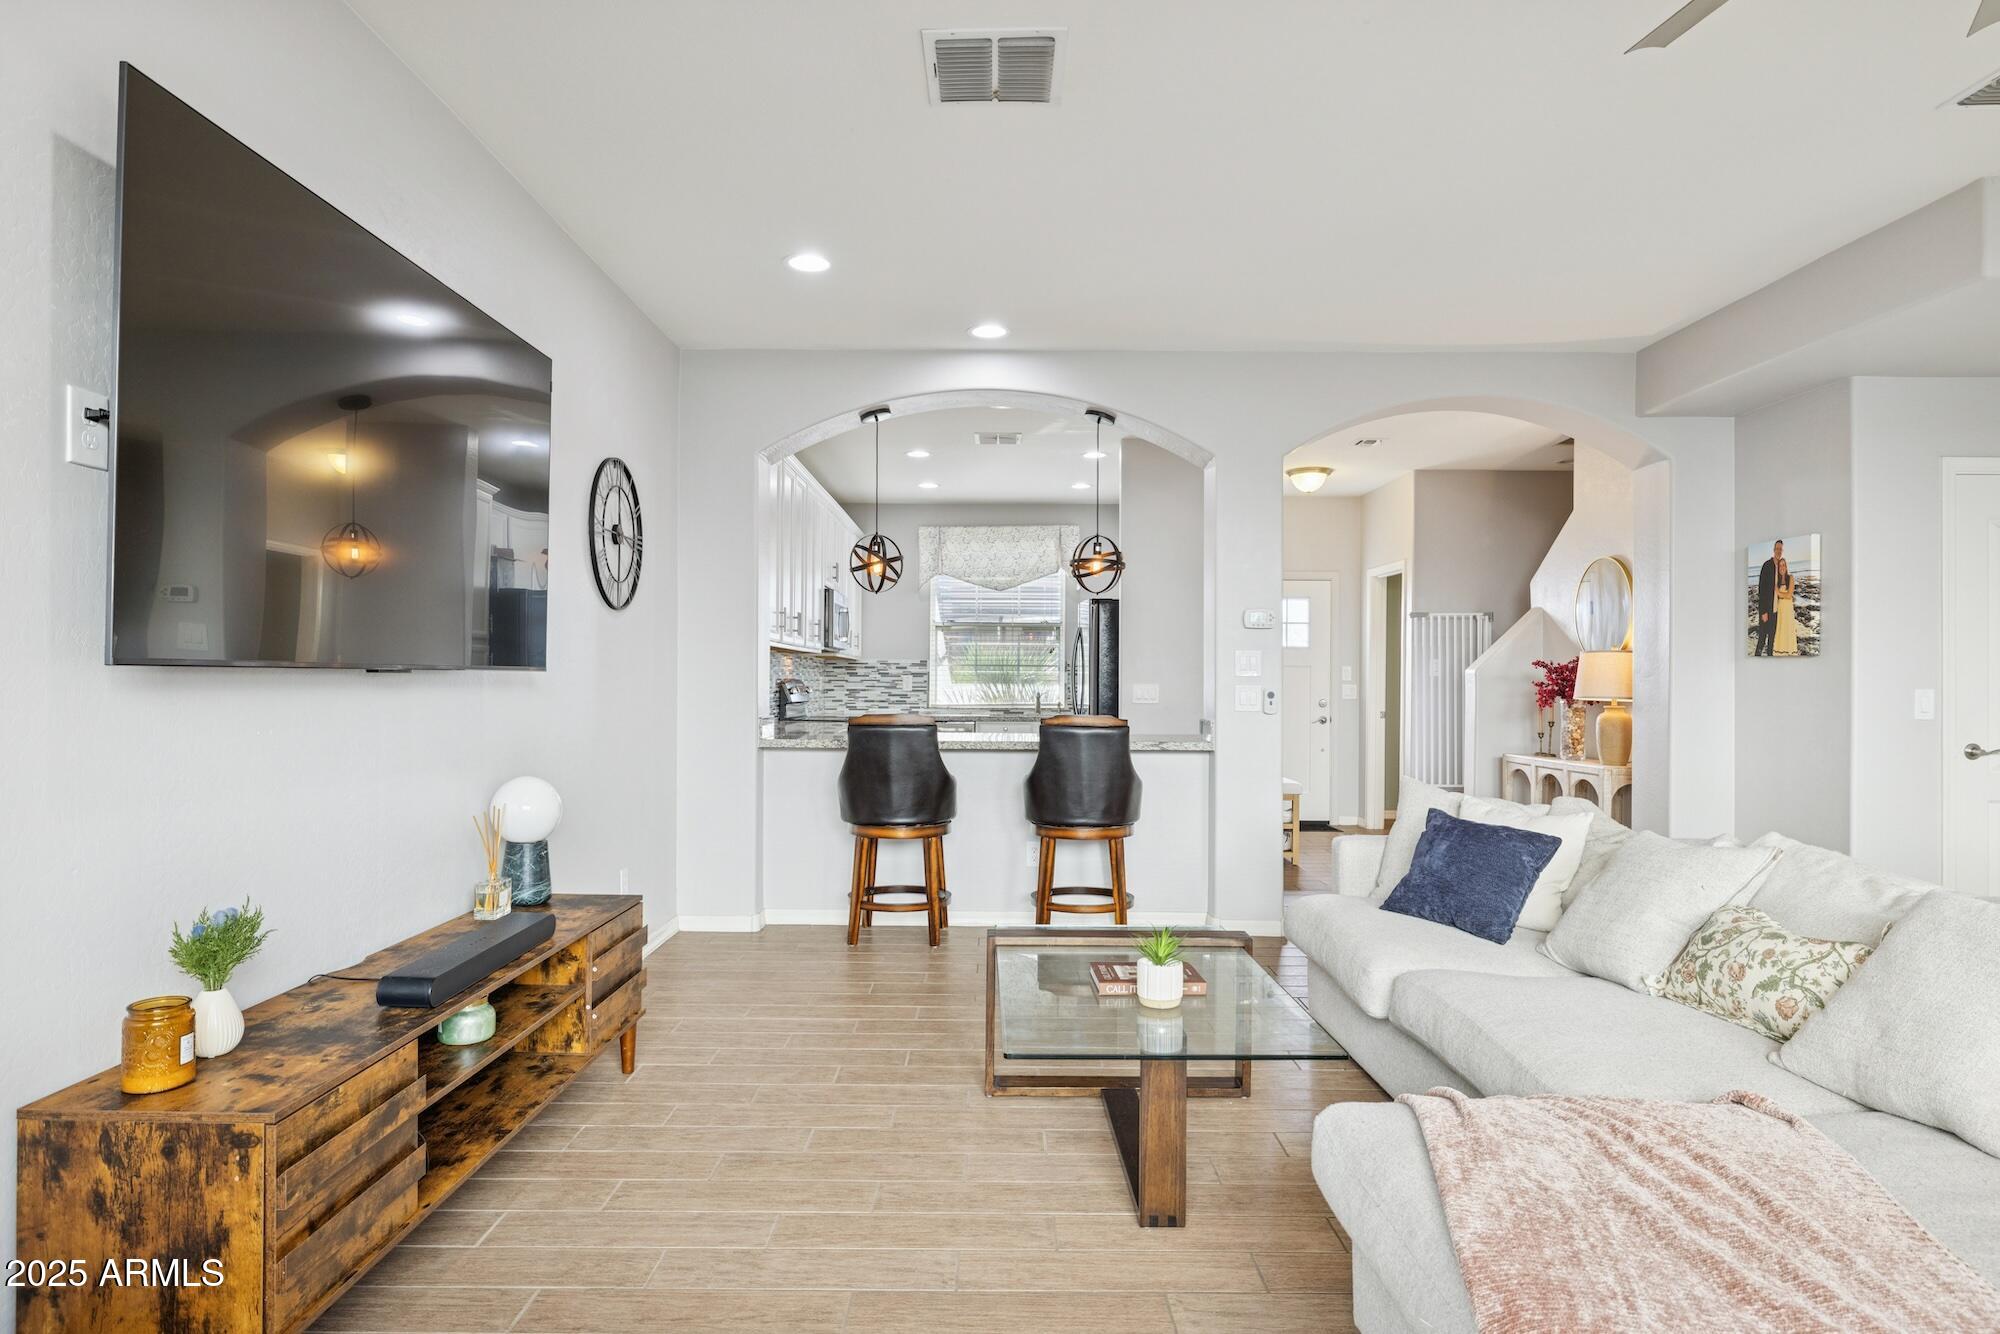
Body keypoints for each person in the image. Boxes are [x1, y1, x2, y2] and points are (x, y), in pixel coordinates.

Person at [1753, 539, 1782, 657]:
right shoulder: (1766, 565)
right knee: (1761, 640)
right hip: (1766, 611)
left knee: (1771, 641)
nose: (1779, 551)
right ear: (1774, 550)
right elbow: (1762, 590)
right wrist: (1763, 611)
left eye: (1781, 549)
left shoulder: (1781, 567)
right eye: (1777, 549)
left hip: (1776, 611)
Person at [1773, 552, 1798, 655]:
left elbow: (1789, 595)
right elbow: (1784, 595)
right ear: (1778, 568)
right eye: (1780, 565)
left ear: (1786, 567)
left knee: (1788, 629)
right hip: (1780, 608)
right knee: (1781, 629)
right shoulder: (1776, 580)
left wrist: (1778, 592)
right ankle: (1781, 651)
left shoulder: (1791, 577)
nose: (1782, 567)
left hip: (1788, 608)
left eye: (1784, 565)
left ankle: (1790, 651)